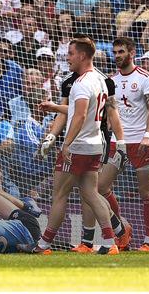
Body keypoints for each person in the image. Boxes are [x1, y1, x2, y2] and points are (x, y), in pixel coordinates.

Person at [33, 37, 119, 255]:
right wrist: (54, 107)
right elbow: (83, 111)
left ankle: (44, 245)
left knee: (60, 194)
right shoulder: (100, 80)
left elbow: (79, 116)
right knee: (90, 193)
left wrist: (66, 144)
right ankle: (110, 243)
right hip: (95, 145)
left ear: (81, 55)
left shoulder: (80, 83)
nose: (67, 58)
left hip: (78, 145)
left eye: (70, 54)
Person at [80, 38, 149, 251]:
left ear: (132, 53)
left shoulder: (146, 77)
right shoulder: (110, 80)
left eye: (121, 51)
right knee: (101, 187)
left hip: (141, 141)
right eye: (115, 52)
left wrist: (148, 135)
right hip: (117, 142)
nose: (117, 56)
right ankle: (122, 229)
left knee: (146, 192)